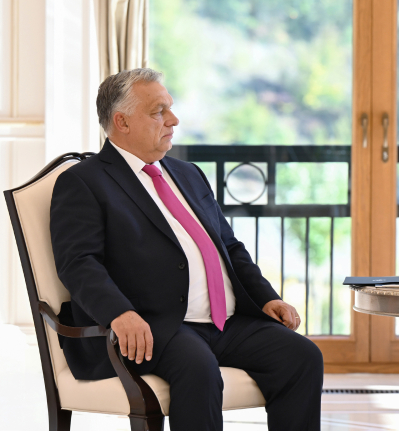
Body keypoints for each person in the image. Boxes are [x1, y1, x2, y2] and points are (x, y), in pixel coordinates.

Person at [50, 68, 324, 431]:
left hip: (225, 323)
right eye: (158, 111)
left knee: (301, 356)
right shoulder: (83, 182)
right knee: (198, 367)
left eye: (170, 108)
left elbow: (229, 246)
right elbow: (79, 262)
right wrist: (120, 313)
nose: (173, 119)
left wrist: (266, 298)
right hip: (154, 325)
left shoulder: (188, 173)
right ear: (122, 122)